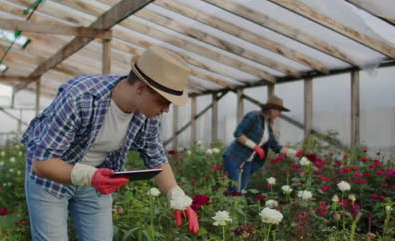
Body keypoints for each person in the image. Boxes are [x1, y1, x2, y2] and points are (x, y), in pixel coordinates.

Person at [21, 46, 199, 240]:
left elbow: (156, 159)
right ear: (141, 88)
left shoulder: (148, 113)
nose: (166, 110)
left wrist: (178, 198)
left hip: (97, 177)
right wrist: (91, 176)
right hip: (52, 176)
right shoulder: (80, 97)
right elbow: (42, 163)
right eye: (164, 102)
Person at [222, 96, 305, 193]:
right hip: (234, 157)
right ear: (272, 109)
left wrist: (295, 153)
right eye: (279, 110)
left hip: (248, 162)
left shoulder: (267, 126)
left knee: (241, 192)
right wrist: (255, 147)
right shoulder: (253, 116)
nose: (280, 113)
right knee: (233, 191)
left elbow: (275, 146)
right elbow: (238, 133)